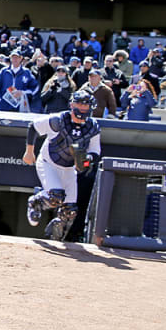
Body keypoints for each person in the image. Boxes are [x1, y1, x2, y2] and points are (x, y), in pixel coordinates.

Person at [23, 90, 101, 241]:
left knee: (70, 211)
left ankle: (56, 237)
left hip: (69, 169)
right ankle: (35, 202)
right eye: (80, 104)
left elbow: (95, 152)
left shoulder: (93, 126)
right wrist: (29, 152)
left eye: (86, 105)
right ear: (72, 104)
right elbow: (33, 127)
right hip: (48, 163)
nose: (83, 108)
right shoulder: (58, 120)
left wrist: (86, 160)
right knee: (56, 197)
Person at [0, 48, 37, 112]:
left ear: (21, 58)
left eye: (17, 57)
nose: (15, 59)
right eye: (13, 57)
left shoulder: (26, 72)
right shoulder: (4, 71)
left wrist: (23, 92)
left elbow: (34, 87)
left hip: (20, 106)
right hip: (4, 105)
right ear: (10, 58)